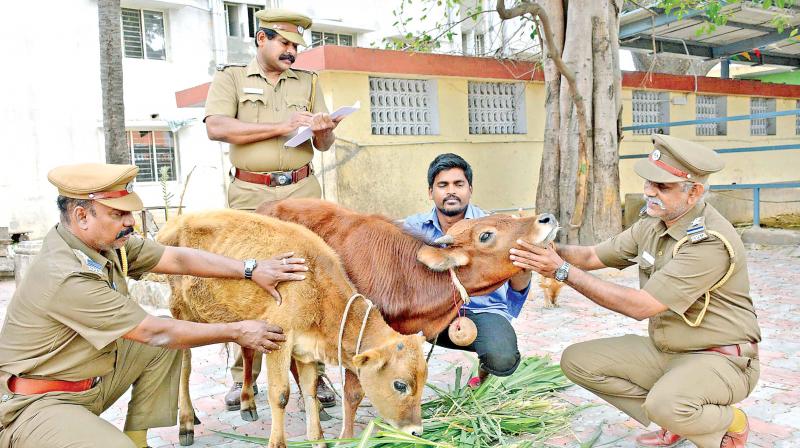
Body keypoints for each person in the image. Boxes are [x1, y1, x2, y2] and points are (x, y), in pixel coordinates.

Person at [0, 163, 308, 448]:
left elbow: (176, 257)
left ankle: (137, 439)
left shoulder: (103, 244)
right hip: (38, 402)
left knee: (161, 348)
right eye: (118, 214)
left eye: (129, 213)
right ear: (82, 216)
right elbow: (153, 332)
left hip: (90, 383)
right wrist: (238, 331)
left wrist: (251, 268)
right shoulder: (65, 275)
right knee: (162, 337)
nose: (130, 222)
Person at [512, 135, 759, 448]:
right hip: (669, 351)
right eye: (648, 182)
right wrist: (540, 247)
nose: (649, 192)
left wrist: (559, 270)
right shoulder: (654, 222)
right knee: (578, 361)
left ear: (693, 192)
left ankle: (729, 422)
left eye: (662, 186)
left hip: (722, 359)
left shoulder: (708, 242)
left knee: (667, 405)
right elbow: (591, 257)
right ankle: (678, 417)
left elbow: (640, 306)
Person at [204, 8, 340, 409]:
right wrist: (282, 126)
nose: (292, 51)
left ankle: (314, 375)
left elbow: (322, 146)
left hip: (303, 189)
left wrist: (326, 131)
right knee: (247, 282)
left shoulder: (309, 82)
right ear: (260, 39)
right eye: (284, 42)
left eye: (296, 45)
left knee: (311, 280)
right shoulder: (231, 77)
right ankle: (241, 376)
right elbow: (217, 128)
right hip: (251, 193)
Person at [403, 153, 535, 387]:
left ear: (470, 189)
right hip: (427, 314)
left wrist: (524, 270)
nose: (451, 191)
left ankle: (486, 368)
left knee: (502, 357)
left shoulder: (496, 226)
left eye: (458, 184)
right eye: (442, 185)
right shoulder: (412, 229)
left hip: (483, 311)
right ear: (430, 192)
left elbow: (518, 288)